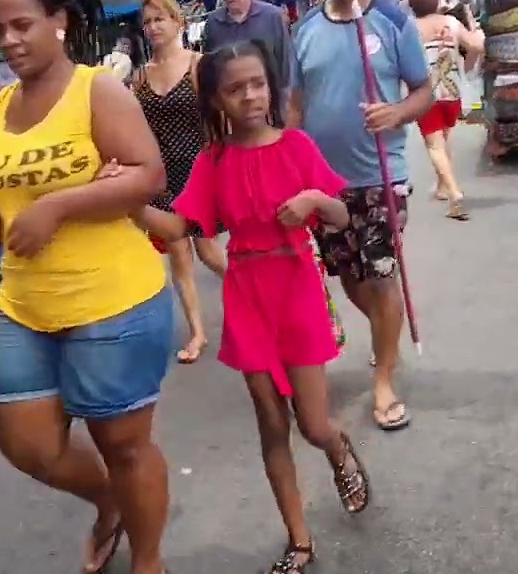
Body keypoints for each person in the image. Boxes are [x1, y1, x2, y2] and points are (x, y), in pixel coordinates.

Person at [0, 0, 174, 574]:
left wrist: (61, 204)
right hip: (25, 307)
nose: (10, 40)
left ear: (60, 21)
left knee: (125, 448)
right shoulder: (1, 106)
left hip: (113, 301)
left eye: (22, 24)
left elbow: (148, 175)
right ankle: (109, 503)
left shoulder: (96, 89)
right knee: (27, 445)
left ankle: (148, 561)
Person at [115, 40, 370, 574]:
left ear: (269, 86)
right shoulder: (213, 162)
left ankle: (338, 448)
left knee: (313, 424)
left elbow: (342, 217)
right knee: (271, 427)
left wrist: (313, 203)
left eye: (257, 84)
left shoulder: (297, 146)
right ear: (216, 101)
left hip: (296, 286)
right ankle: (299, 542)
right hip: (247, 296)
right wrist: (127, 201)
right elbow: (177, 227)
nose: (250, 96)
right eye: (235, 89)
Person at [288, 0, 433, 432]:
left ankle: (385, 379)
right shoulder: (303, 29)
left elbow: (424, 91)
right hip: (325, 183)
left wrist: (394, 114)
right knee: (348, 276)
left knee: (380, 274)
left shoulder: (392, 20)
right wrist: (289, 164)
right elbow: (296, 105)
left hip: (380, 176)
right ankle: (384, 337)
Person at [133, 0, 229, 363]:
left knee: (206, 250)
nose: (154, 27)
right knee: (177, 254)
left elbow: (219, 120)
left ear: (178, 22)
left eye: (160, 18)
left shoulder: (199, 66)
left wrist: (225, 164)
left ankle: (255, 296)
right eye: (148, 21)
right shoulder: (140, 77)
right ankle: (197, 333)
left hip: (198, 170)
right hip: (161, 174)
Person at [408, 0, 484, 219]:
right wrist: (469, 66)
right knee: (442, 140)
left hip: (425, 95)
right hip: (452, 92)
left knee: (435, 146)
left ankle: (454, 192)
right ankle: (442, 186)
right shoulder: (452, 23)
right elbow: (476, 45)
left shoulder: (409, 28)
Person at [203, 0, 292, 91]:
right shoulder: (213, 22)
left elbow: (286, 69)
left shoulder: (273, 17)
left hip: (269, 104)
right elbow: (210, 72)